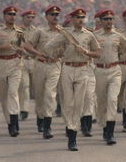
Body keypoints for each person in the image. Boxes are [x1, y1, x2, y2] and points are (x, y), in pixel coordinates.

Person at [45, 8, 100, 151]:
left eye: (82, 17)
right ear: (72, 19)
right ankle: (70, 131)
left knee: (79, 103)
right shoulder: (66, 34)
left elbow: (98, 52)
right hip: (68, 68)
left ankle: (73, 133)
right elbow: (48, 47)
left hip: (83, 69)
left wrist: (87, 52)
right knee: (68, 103)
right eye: (77, 17)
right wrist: (57, 53)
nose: (80, 20)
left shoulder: (89, 35)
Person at [0, 6, 42, 137]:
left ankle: (14, 123)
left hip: (16, 64)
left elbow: (25, 46)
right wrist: (7, 46)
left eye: (14, 14)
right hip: (0, 63)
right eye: (10, 14)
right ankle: (10, 122)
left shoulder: (20, 31)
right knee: (4, 97)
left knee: (13, 92)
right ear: (4, 16)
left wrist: (37, 54)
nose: (12, 16)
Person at [94, 10, 126, 145]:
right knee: (102, 101)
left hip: (115, 70)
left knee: (112, 99)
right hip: (99, 70)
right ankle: (105, 126)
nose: (109, 21)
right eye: (106, 19)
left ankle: (110, 132)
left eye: (111, 19)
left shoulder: (119, 36)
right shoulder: (95, 35)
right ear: (101, 21)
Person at [28, 5, 63, 139]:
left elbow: (67, 48)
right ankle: (40, 118)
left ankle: (47, 127)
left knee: (50, 94)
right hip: (40, 65)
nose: (55, 17)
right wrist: (38, 53)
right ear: (46, 17)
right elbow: (27, 45)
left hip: (54, 65)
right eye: (52, 15)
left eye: (57, 15)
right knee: (40, 95)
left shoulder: (63, 32)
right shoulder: (40, 31)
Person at [19, 10, 37, 121]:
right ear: (23, 18)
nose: (30, 19)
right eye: (28, 17)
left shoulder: (37, 31)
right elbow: (14, 44)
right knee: (24, 86)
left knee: (37, 87)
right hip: (23, 60)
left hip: (34, 60)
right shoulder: (18, 31)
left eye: (32, 17)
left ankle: (40, 110)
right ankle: (24, 110)